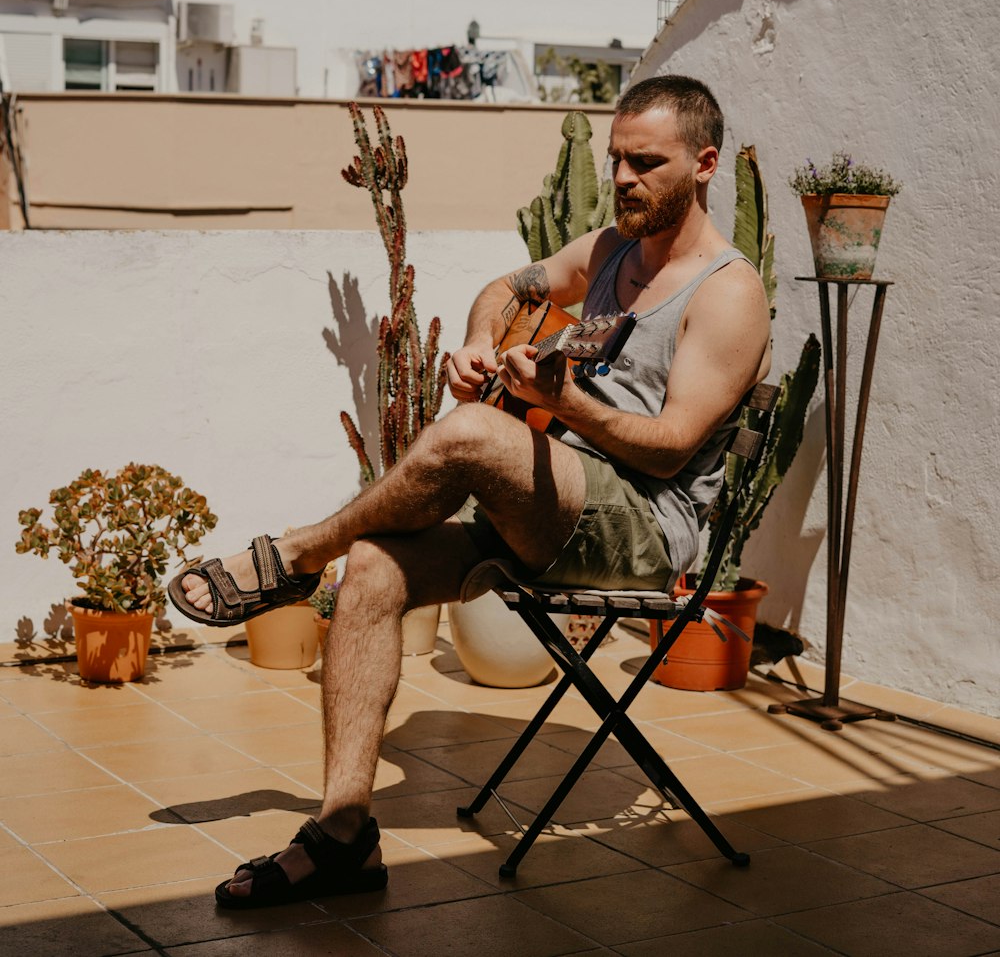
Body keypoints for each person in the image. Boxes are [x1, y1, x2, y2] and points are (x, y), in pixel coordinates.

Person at [169, 74, 771, 908]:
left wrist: (562, 403)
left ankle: (298, 555)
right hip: (548, 506)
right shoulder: (607, 251)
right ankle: (343, 836)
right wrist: (483, 342)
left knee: (474, 436)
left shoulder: (729, 292)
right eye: (616, 160)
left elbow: (670, 453)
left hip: (641, 528)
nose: (625, 178)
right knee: (377, 569)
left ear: (705, 164)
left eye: (647, 162)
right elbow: (512, 287)